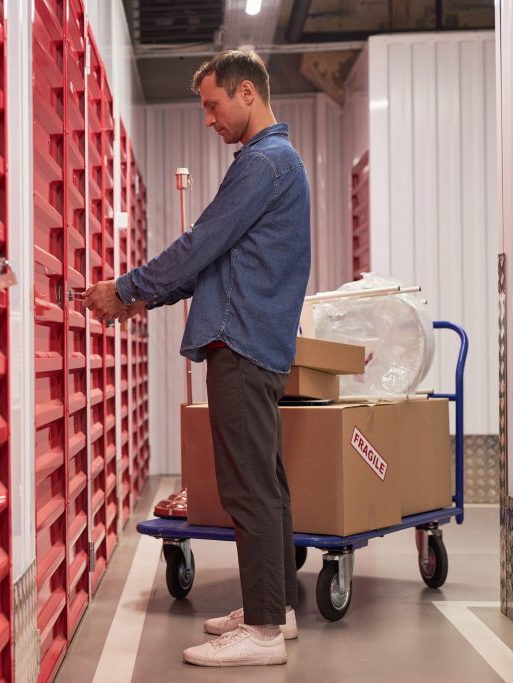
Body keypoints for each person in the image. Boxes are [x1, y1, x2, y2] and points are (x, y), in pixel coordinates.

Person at [83, 50, 311, 667]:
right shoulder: (276, 164)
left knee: (247, 486)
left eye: (213, 105)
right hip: (255, 342)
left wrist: (126, 289)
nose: (208, 118)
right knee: (267, 482)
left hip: (239, 343)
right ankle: (278, 607)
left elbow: (199, 243)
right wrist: (141, 301)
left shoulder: (263, 164)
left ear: (246, 93)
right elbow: (216, 261)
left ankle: (263, 631)